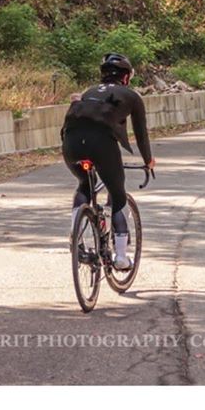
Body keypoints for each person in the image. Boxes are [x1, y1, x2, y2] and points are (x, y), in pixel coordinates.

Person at [62, 52, 155, 269]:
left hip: (71, 143)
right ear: (126, 77)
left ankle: (77, 237)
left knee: (85, 183)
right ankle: (121, 257)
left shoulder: (88, 93)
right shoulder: (131, 96)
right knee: (117, 192)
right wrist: (148, 160)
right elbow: (141, 134)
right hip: (102, 143)